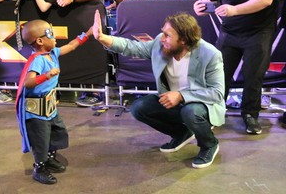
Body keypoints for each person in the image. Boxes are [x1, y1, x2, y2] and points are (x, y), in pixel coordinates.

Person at [92, 9, 226, 168]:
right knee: (139, 108)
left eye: (167, 35)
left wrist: (181, 95)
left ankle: (209, 144)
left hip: (201, 104)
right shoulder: (159, 44)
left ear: (183, 39)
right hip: (173, 102)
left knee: (190, 112)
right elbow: (132, 47)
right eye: (163, 33)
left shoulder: (210, 54)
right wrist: (102, 37)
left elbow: (216, 93)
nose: (161, 39)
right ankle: (181, 133)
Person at [193, 0, 279, 135]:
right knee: (218, 74)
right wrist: (202, 5)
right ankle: (214, 112)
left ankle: (250, 115)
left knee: (253, 74)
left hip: (259, 30)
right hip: (229, 30)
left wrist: (235, 10)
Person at [16, 19, 93, 184]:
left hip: (50, 107)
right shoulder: (38, 59)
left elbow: (71, 45)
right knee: (41, 139)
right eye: (51, 33)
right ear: (40, 41)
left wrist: (87, 34)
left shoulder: (52, 53)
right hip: (36, 111)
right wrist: (47, 75)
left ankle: (50, 158)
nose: (55, 36)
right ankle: (40, 167)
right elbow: (27, 83)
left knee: (58, 132)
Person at [56, 0, 106, 107]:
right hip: (72, 12)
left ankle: (95, 92)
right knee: (75, 49)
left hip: (91, 11)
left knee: (93, 49)